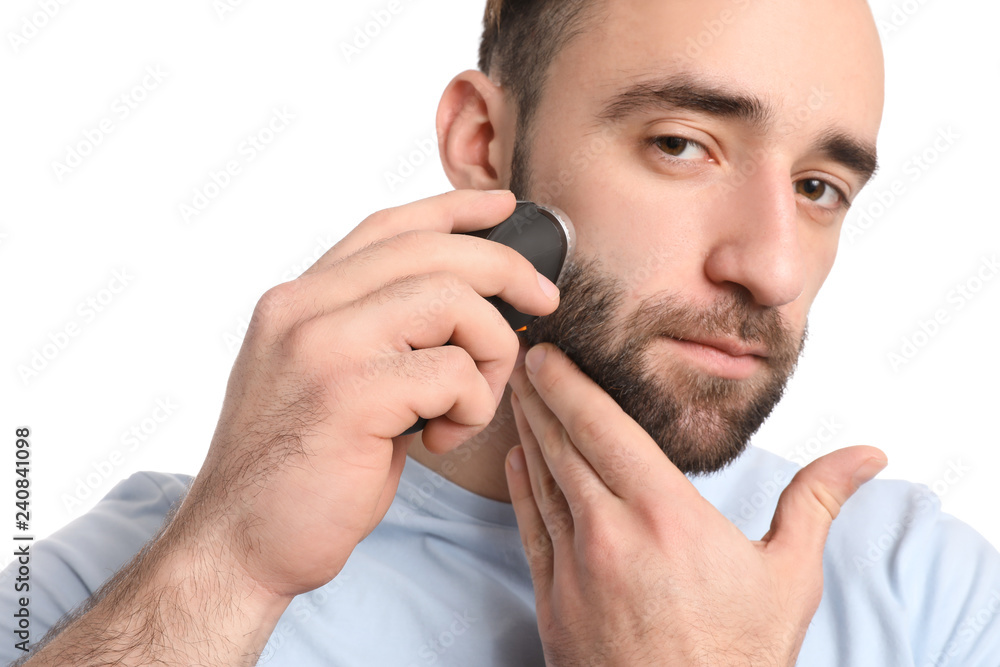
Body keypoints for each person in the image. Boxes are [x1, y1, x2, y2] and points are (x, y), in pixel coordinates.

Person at [4, 0, 999, 664]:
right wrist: (224, 568)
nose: (773, 267)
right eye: (681, 145)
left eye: (818, 188)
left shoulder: (930, 591)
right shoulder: (137, 583)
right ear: (484, 144)